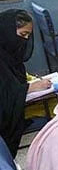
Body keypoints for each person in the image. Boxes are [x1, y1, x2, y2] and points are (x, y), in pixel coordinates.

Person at [0, 9, 51, 157]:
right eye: (23, 35)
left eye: (28, 36)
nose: (26, 40)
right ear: (7, 31)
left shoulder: (8, 56)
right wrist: (29, 88)